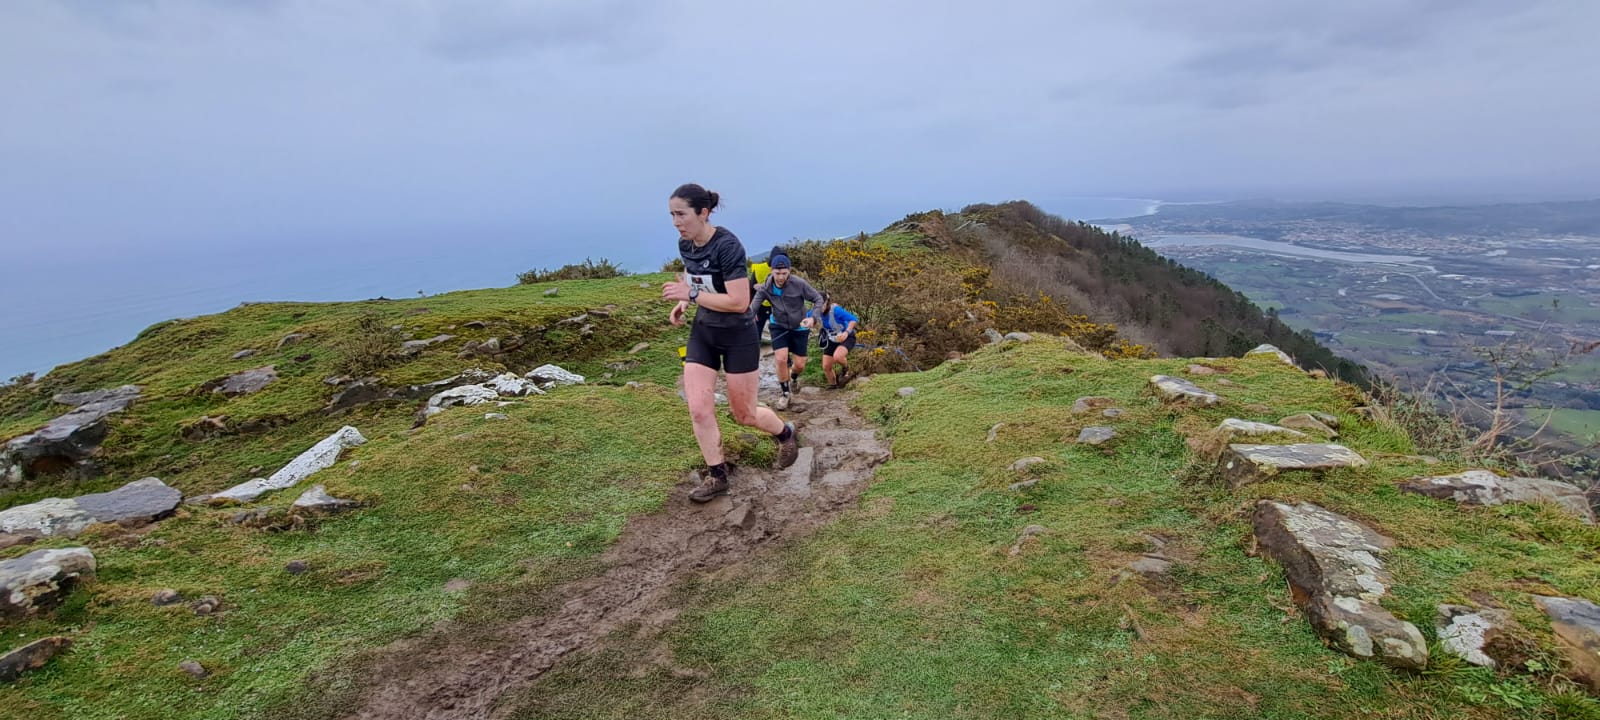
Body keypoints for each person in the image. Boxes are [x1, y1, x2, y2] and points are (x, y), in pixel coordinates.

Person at [662, 183, 800, 503]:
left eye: (681, 214)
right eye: (671, 215)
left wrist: (691, 295)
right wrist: (684, 301)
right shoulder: (686, 244)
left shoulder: (728, 246)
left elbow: (740, 301)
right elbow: (693, 271)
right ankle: (718, 476)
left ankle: (785, 433)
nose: (676, 222)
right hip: (704, 332)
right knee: (698, 409)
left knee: (745, 415)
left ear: (703, 213)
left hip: (738, 336)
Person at [750, 251, 824, 410]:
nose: (781, 277)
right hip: (778, 326)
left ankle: (794, 377)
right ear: (772, 271)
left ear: (789, 271)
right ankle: (785, 393)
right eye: (777, 273)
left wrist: (813, 318)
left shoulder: (799, 284)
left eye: (784, 273)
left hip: (800, 326)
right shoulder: (765, 288)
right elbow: (753, 307)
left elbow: (818, 299)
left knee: (800, 364)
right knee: (781, 359)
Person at [804, 292, 859, 389]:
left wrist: (846, 332)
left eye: (822, 304)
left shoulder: (836, 310)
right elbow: (807, 321)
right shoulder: (813, 312)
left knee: (838, 356)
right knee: (826, 366)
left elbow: (853, 320)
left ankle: (846, 369)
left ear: (827, 303)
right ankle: (833, 386)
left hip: (846, 337)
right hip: (831, 339)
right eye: (816, 305)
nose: (819, 307)